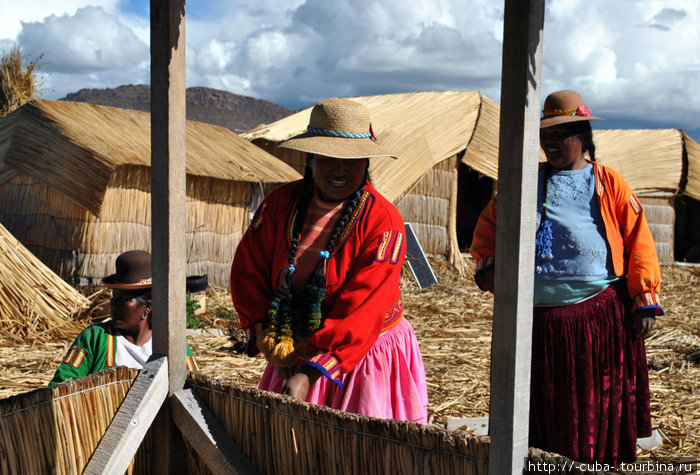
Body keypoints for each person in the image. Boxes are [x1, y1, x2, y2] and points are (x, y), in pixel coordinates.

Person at [471, 90, 662, 466]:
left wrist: (645, 298)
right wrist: (493, 270)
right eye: (546, 136)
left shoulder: (608, 182)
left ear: (583, 137)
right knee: (539, 404)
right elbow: (488, 228)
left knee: (591, 404)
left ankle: (590, 464)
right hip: (534, 319)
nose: (551, 143)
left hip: (595, 316)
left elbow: (639, 238)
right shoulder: (525, 182)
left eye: (562, 134)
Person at [230, 97, 428, 424]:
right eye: (328, 158)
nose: (339, 170)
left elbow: (364, 305)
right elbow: (248, 269)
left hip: (361, 353)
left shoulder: (382, 221)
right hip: (291, 347)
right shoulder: (280, 204)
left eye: (351, 160)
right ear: (310, 159)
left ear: (366, 163)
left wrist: (311, 371)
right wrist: (272, 342)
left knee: (358, 450)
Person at [50, 250, 199, 385]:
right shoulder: (95, 338)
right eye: (114, 296)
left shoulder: (173, 346)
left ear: (148, 306)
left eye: (123, 298)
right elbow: (60, 387)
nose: (113, 303)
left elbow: (197, 389)